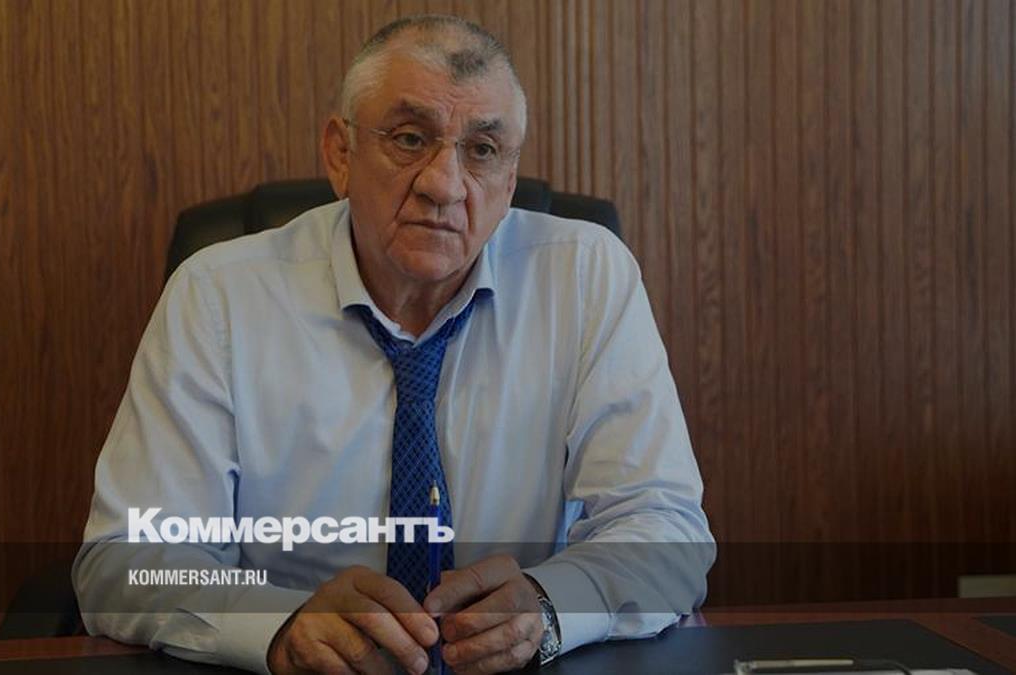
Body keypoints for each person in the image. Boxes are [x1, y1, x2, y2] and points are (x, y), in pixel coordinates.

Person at [74, 14, 714, 675]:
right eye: (410, 139)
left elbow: (667, 532)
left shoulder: (585, 277)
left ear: (510, 179)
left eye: (483, 150)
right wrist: (279, 625)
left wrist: (549, 608)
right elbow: (127, 559)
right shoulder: (219, 296)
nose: (445, 184)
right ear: (340, 154)